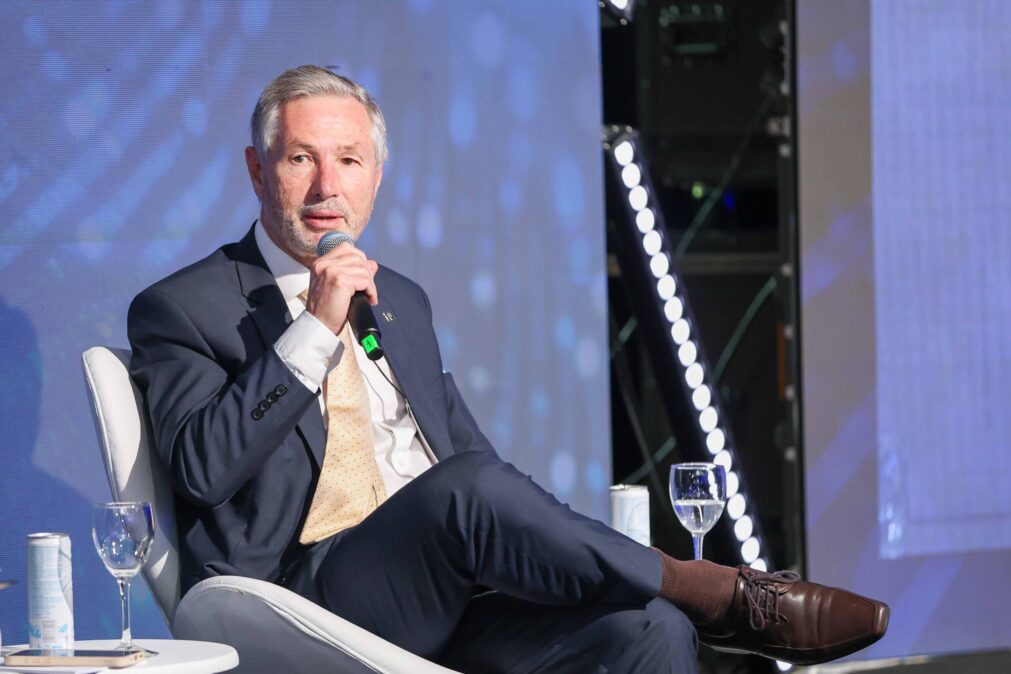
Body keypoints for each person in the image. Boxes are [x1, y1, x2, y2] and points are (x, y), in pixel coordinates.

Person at [128, 65, 887, 673]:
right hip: (300, 600)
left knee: (648, 628)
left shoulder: (399, 300)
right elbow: (202, 468)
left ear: (376, 177)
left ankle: (682, 602)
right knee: (465, 492)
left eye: (349, 160)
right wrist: (313, 328)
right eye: (301, 159)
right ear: (258, 170)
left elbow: (471, 463)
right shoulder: (182, 308)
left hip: (446, 592)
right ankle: (718, 592)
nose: (328, 186)